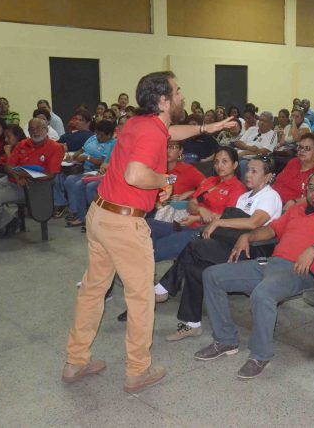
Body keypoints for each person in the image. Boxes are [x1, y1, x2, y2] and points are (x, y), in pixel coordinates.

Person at [62, 71, 237, 393]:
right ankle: (137, 370)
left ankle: (76, 360)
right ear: (163, 100)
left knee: (92, 290)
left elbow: (170, 130)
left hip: (101, 214)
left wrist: (204, 128)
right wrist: (164, 181)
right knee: (141, 296)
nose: (182, 95)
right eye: (177, 91)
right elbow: (136, 173)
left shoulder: (139, 123)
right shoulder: (152, 133)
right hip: (124, 223)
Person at [194, 171, 314, 379]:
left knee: (262, 295)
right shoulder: (297, 209)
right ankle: (225, 340)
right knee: (212, 275)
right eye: (311, 188)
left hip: (301, 270)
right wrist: (248, 235)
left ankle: (261, 355)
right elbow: (272, 231)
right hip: (271, 263)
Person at [156, 156, 283, 341]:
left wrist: (218, 222)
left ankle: (164, 287)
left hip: (254, 251)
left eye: (255, 171)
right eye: (248, 170)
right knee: (194, 268)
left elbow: (253, 223)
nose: (248, 174)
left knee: (195, 245)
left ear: (268, 176)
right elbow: (230, 227)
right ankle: (191, 324)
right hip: (231, 245)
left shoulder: (270, 196)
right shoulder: (244, 196)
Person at [147, 146, 246, 262]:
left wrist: (198, 217)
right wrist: (200, 209)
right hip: (185, 225)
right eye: (217, 162)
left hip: (202, 232)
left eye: (225, 162)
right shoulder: (210, 181)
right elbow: (191, 204)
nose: (219, 166)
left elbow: (227, 219)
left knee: (155, 249)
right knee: (147, 225)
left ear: (234, 165)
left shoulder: (237, 189)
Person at [0, 118, 64, 240]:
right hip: (12, 179)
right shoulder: (22, 144)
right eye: (31, 128)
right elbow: (8, 166)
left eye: (39, 128)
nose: (35, 131)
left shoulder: (55, 147)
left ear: (46, 129)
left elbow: (50, 175)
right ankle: (10, 220)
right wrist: (18, 176)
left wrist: (23, 174)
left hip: (32, 186)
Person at [62, 120, 118, 227]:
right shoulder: (93, 138)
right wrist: (72, 157)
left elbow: (102, 162)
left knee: (82, 185)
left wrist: (87, 158)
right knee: (69, 180)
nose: (97, 137)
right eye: (97, 133)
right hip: (85, 170)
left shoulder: (112, 143)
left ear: (110, 135)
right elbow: (82, 150)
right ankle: (77, 213)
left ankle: (92, 219)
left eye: (101, 135)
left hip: (97, 172)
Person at [272, 133, 314, 210]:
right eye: (300, 147)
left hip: (290, 208)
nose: (302, 151)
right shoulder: (293, 162)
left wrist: (295, 202)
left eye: (307, 148)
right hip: (270, 199)